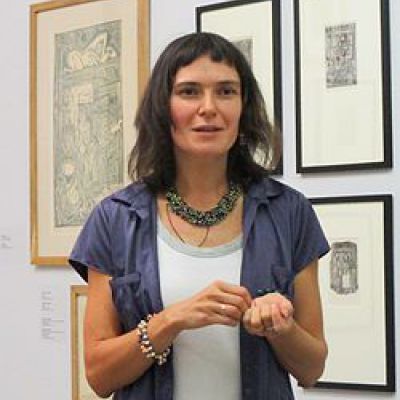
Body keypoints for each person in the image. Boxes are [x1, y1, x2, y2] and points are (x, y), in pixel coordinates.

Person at [69, 32, 330, 400]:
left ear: (243, 108)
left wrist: (280, 327)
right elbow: (99, 376)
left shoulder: (290, 212)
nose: (209, 108)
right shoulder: (115, 219)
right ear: (163, 107)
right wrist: (171, 321)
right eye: (189, 91)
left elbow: (312, 368)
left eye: (226, 91)